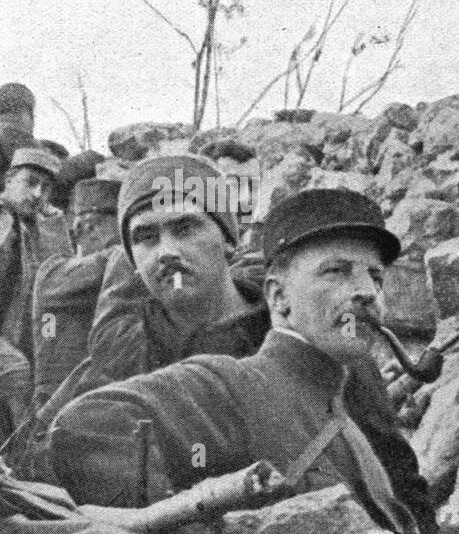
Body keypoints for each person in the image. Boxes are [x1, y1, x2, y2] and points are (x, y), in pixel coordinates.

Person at [48, 188, 435, 534]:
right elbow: (87, 426)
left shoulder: (340, 377)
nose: (367, 292)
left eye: (376, 277)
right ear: (279, 297)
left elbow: (402, 484)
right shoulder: (229, 380)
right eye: (336, 271)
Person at [4, 156, 269, 479]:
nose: (166, 251)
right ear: (130, 258)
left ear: (230, 238)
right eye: (146, 237)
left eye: (185, 228)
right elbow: (34, 471)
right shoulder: (120, 357)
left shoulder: (285, 334)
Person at [28, 178, 122, 411]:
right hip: (60, 405)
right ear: (87, 227)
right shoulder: (54, 272)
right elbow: (109, 262)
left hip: (101, 399)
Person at [0, 146, 69, 441]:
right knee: (16, 371)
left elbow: (60, 279)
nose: (38, 194)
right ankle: (25, 456)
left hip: (17, 333)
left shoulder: (37, 225)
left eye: (46, 188)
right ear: (9, 180)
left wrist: (54, 228)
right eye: (30, 182)